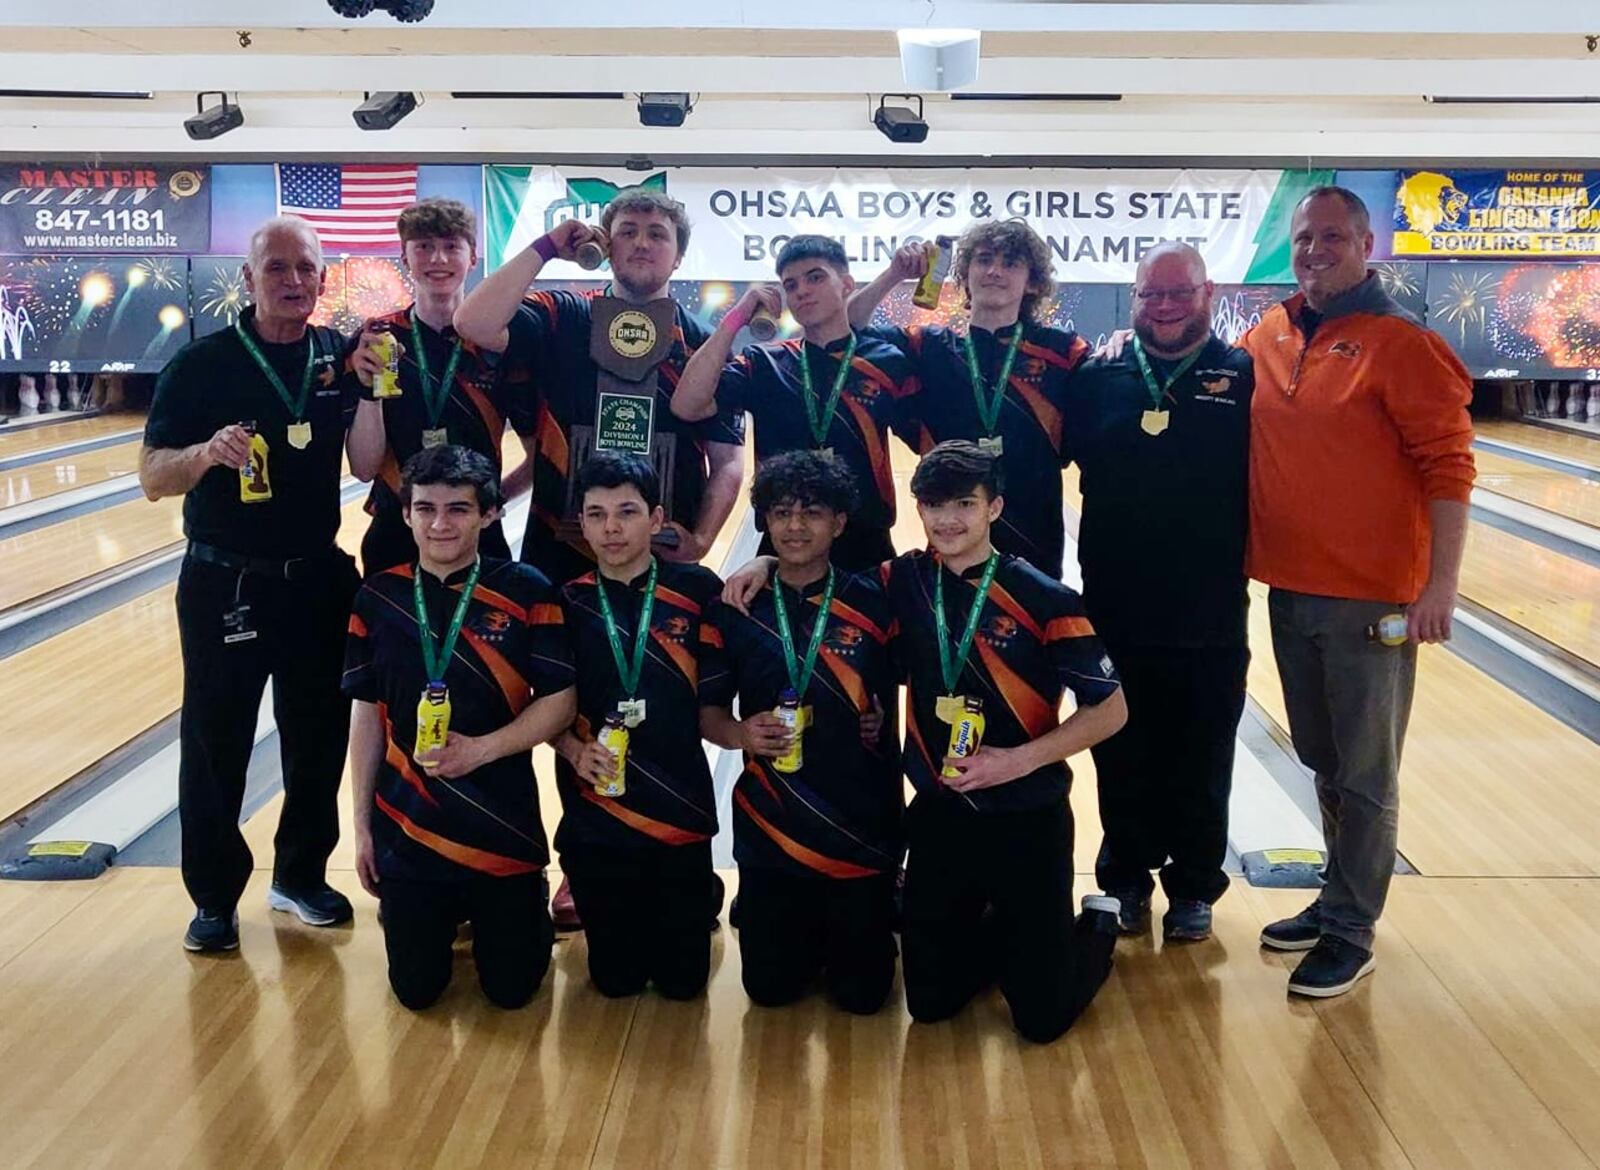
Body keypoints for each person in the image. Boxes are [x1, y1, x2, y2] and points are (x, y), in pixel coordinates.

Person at [725, 441, 1128, 1042]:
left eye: (965, 503)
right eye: (934, 505)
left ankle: (1095, 927)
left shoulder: (1046, 597)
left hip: (1028, 816)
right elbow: (815, 580)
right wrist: (760, 562)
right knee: (932, 1003)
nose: (948, 520)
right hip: (941, 814)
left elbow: (1112, 710)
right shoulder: (903, 579)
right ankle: (1009, 938)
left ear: (994, 507)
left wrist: (1016, 761)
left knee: (1042, 1021)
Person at [1248, 187, 1474, 997]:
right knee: (1321, 756)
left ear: (1366, 243)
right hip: (1288, 589)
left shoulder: (1403, 344)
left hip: (1374, 600)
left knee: (1367, 772)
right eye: (1305, 236)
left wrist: (1438, 589)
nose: (1315, 249)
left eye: (1333, 236)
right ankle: (1336, 897)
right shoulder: (1268, 334)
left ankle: (1352, 928)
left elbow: (1450, 469)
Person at [140, 215, 361, 953]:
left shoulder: (336, 357)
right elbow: (150, 476)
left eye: (306, 269)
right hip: (222, 582)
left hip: (316, 580)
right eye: (276, 268)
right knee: (214, 743)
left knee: (317, 738)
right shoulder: (201, 366)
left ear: (323, 280)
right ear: (248, 278)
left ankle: (299, 874)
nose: (293, 282)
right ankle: (212, 898)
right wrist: (203, 453)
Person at [343, 445, 576, 1010]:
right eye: (425, 509)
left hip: (502, 827)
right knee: (417, 992)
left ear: (488, 515)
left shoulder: (527, 590)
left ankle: (514, 911)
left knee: (512, 991)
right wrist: (363, 828)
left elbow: (561, 702)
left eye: (457, 509)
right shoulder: (378, 596)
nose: (439, 523)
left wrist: (481, 750)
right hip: (408, 828)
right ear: (406, 515)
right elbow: (365, 716)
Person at [1066, 242, 1253, 943]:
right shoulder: (1099, 374)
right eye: (1151, 295)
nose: (1165, 306)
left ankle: (1195, 886)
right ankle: (1124, 879)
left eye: (1179, 292)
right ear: (1133, 298)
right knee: (1120, 750)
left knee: (1203, 756)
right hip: (1114, 602)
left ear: (1207, 293)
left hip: (1208, 611)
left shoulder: (1242, 375)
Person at [453, 187, 745, 586]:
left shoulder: (707, 349)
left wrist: (702, 539)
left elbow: (727, 459)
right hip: (558, 547)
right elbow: (473, 322)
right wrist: (549, 246)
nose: (642, 243)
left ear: (678, 257)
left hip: (661, 548)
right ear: (606, 245)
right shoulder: (562, 316)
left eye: (657, 234)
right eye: (627, 232)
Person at [701, 450, 901, 1014]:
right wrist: (738, 734)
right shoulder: (737, 608)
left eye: (812, 513)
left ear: (839, 523)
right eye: (782, 512)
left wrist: (880, 715)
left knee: (863, 997)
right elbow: (707, 712)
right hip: (772, 824)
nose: (795, 526)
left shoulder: (877, 599)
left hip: (858, 821)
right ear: (764, 521)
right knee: (769, 991)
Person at [550, 451, 729, 999]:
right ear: (581, 521)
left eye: (626, 512)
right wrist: (572, 749)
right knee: (616, 983)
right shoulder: (565, 603)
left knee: (682, 985)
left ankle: (698, 898)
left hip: (680, 810)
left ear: (656, 520)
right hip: (596, 810)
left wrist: (763, 564)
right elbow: (543, 708)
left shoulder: (698, 592)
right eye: (597, 514)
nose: (611, 528)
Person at [848, 219, 1090, 579]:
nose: (994, 270)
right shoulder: (927, 346)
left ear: (1033, 282)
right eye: (983, 259)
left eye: (1010, 263)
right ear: (964, 274)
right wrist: (894, 274)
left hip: (1034, 533)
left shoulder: (1063, 352)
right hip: (951, 531)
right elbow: (848, 325)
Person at [671, 234, 919, 572]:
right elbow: (687, 405)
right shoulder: (763, 362)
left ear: (846, 284)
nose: (801, 290)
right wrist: (736, 318)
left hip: (866, 539)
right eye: (791, 284)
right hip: (782, 541)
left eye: (815, 277)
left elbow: (925, 441)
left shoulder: (886, 361)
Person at [347, 198, 535, 576]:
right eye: (424, 247)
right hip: (395, 528)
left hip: (480, 532)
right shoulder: (376, 338)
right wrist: (369, 390)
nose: (438, 258)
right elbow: (364, 469)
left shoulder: (498, 340)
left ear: (473, 258)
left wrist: (493, 500)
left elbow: (536, 455)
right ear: (405, 257)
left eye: (451, 246)